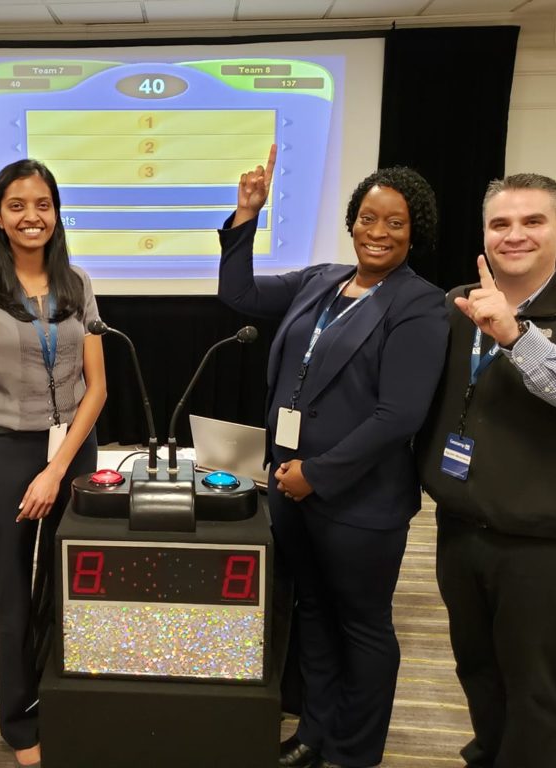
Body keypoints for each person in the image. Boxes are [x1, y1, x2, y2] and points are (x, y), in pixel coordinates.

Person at [217, 145, 448, 768]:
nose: (377, 232)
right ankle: (315, 732)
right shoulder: (321, 281)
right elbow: (237, 292)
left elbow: (398, 415)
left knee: (363, 628)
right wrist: (247, 214)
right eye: (368, 218)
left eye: (395, 222)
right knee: (313, 613)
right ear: (352, 221)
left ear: (413, 232)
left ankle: (354, 750)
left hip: (359, 502)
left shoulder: (419, 304)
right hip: (290, 489)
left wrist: (316, 475)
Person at [416, 173, 556, 768]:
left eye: (532, 222)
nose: (515, 235)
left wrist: (515, 334)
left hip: (548, 546)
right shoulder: (457, 303)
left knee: (537, 693)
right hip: (461, 530)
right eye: (500, 224)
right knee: (478, 670)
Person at [0, 158, 106, 767]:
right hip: (3, 452)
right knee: (11, 591)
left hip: (70, 452)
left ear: (56, 214)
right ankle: (19, 722)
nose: (32, 216)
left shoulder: (79, 283)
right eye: (17, 205)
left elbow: (97, 389)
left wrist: (57, 470)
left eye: (43, 205)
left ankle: (62, 698)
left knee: (66, 587)